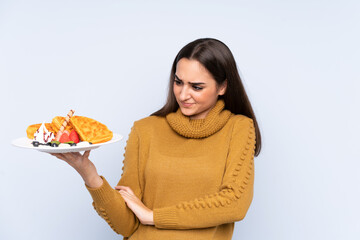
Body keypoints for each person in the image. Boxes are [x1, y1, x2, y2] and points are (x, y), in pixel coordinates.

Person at [51, 38, 262, 240]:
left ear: (222, 87)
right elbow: (126, 224)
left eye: (196, 87)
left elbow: (234, 204)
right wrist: (89, 174)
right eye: (178, 82)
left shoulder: (238, 128)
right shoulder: (145, 130)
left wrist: (153, 216)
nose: (183, 94)